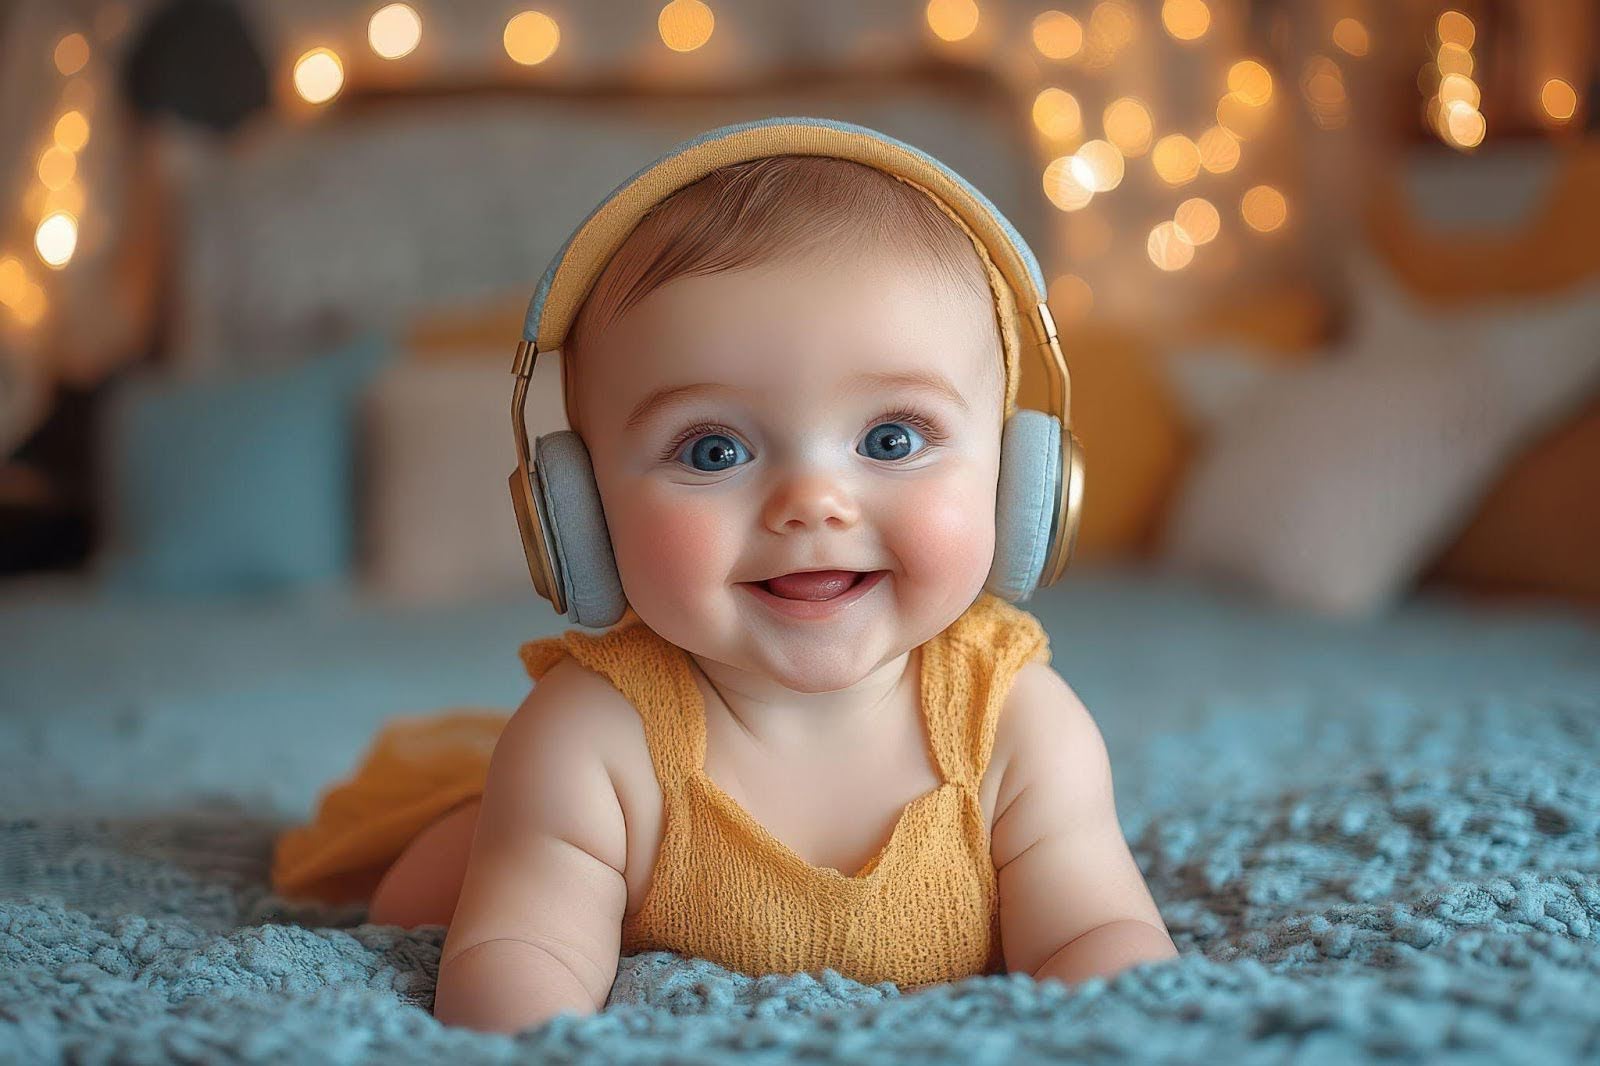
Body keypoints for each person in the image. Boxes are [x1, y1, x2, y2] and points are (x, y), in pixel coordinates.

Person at [271, 118, 1177, 1034]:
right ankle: (473, 823)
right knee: (415, 895)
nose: (812, 503)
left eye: (891, 439)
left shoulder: (1017, 722)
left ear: (1019, 476)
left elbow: (1094, 931)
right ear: (577, 511)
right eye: (713, 450)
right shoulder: (592, 738)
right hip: (533, 812)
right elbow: (520, 959)